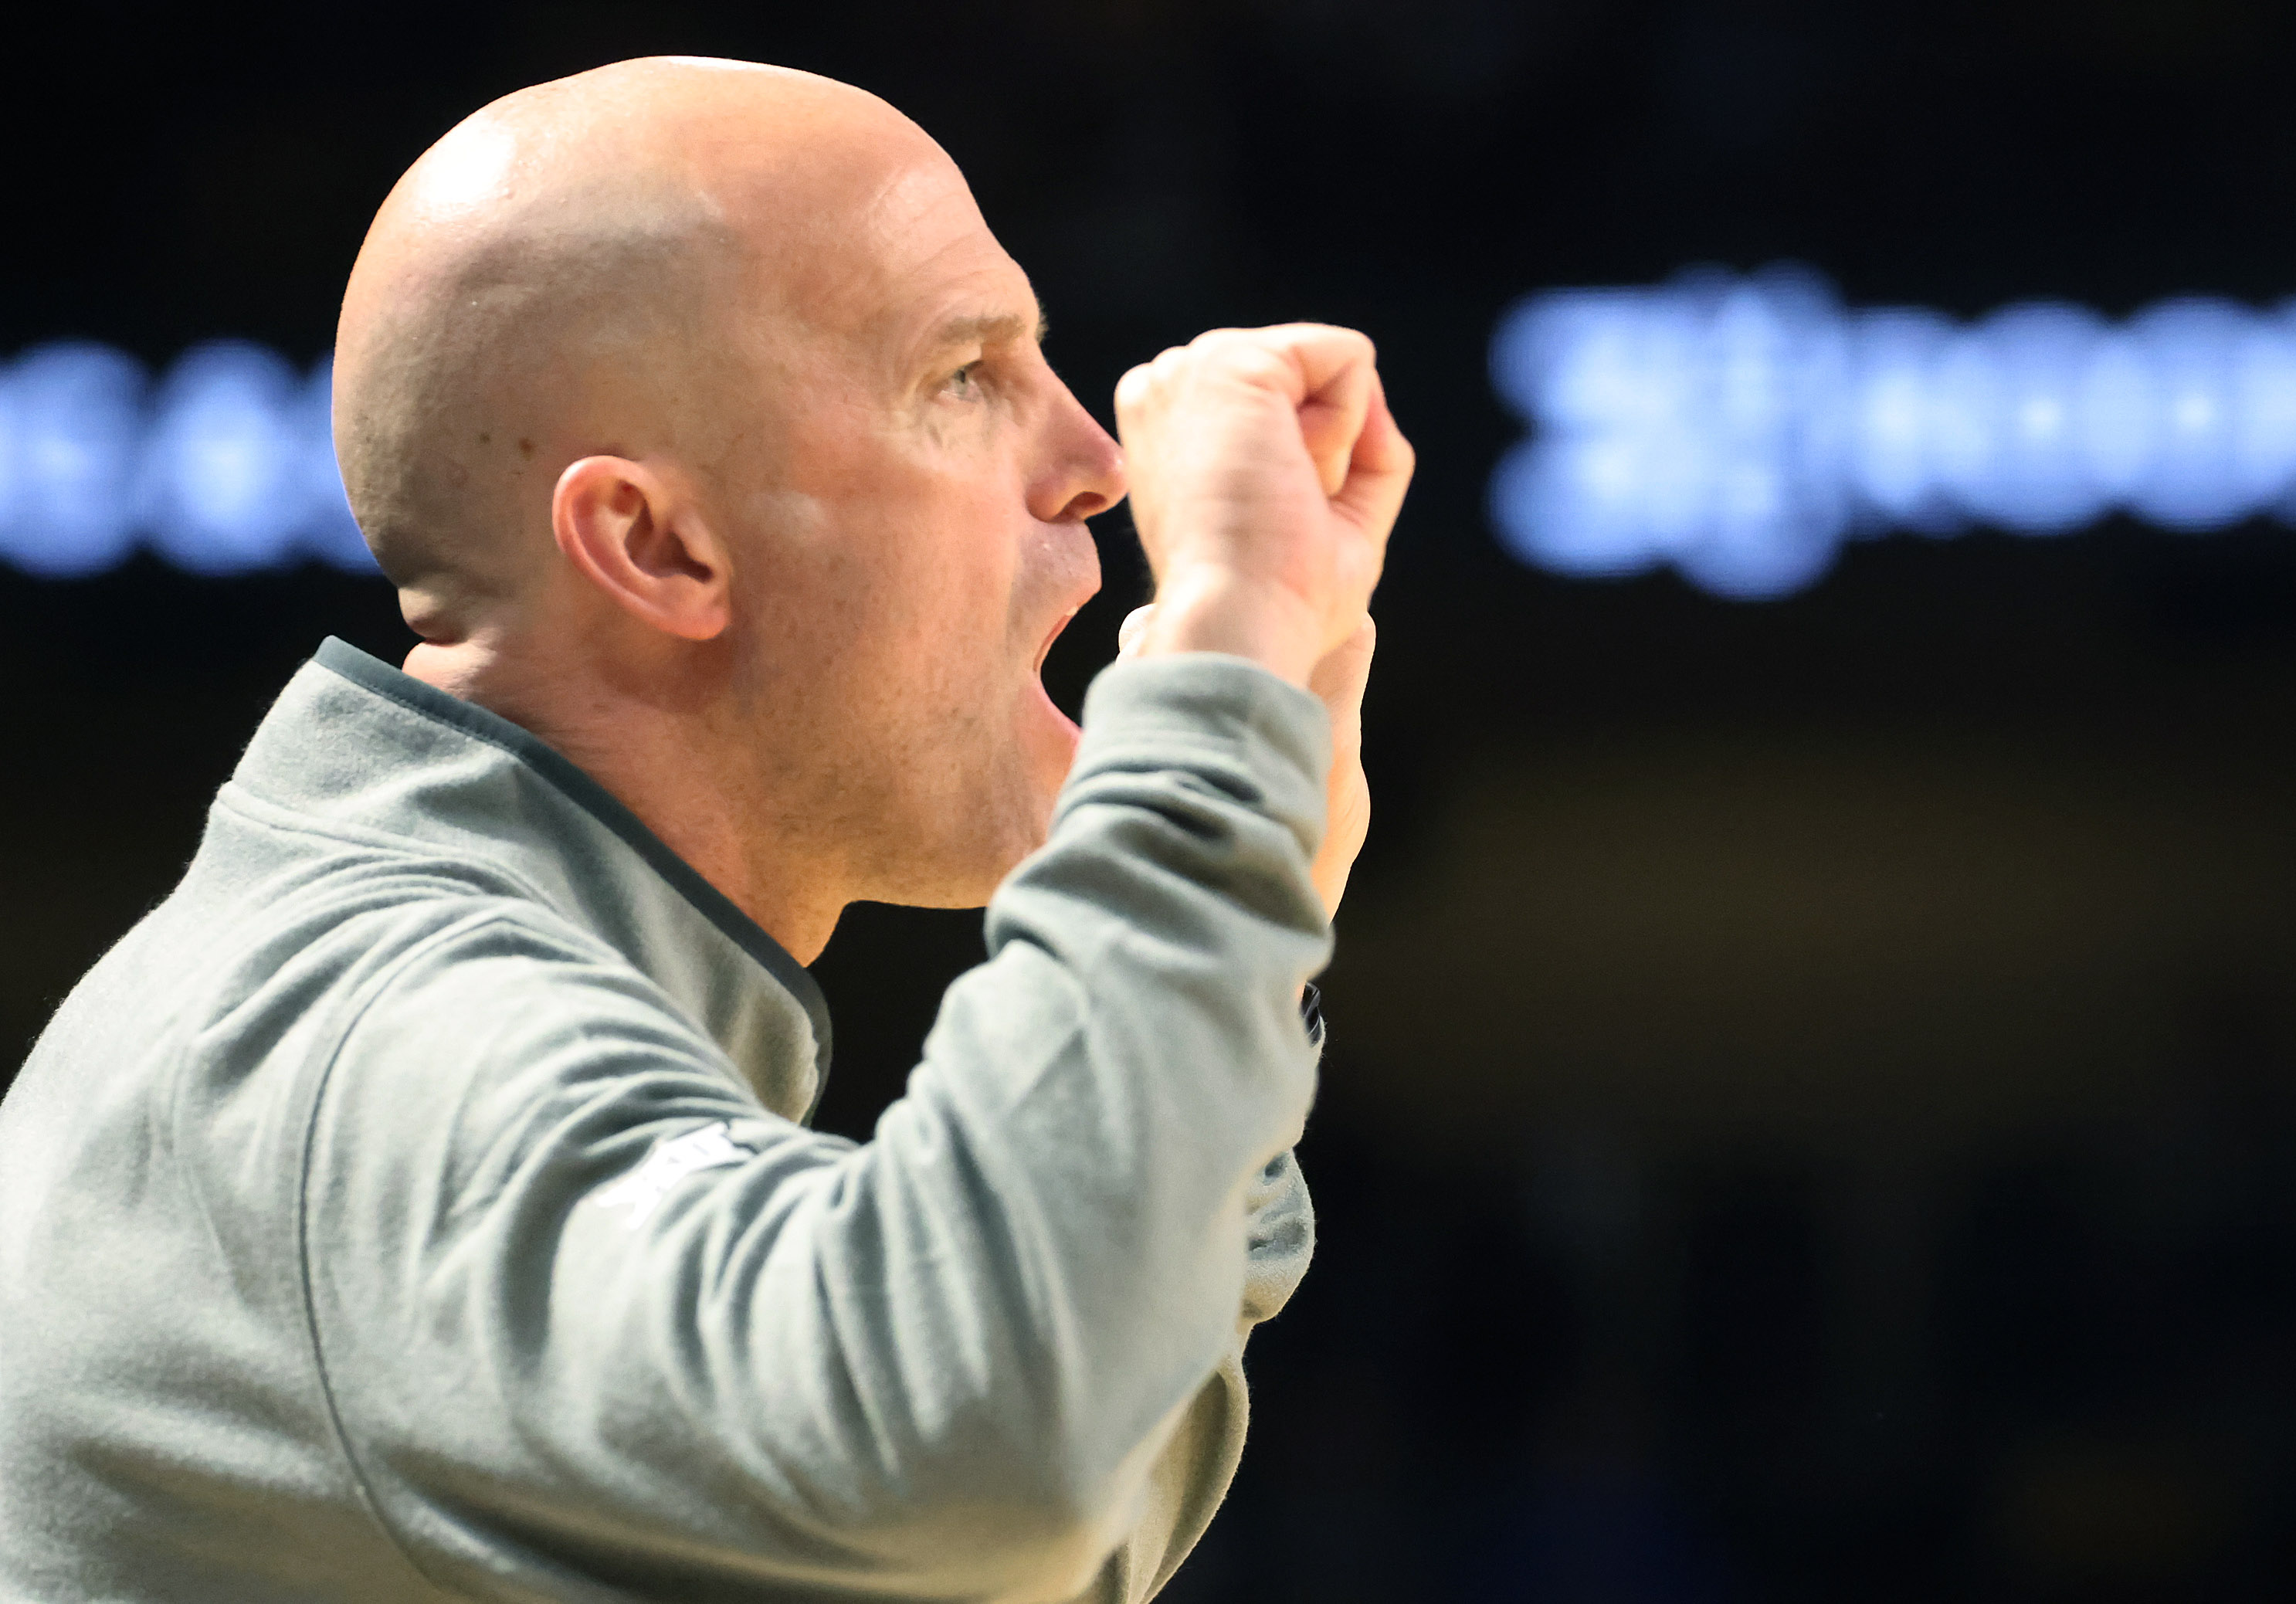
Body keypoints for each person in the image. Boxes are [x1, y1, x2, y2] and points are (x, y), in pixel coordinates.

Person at [0, 56, 1410, 1602]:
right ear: (658, 546)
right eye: (964, 375)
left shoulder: (376, 981)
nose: (1094, 466)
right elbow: (973, 1450)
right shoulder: (387, 1046)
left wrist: (1238, 918)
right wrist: (1214, 694)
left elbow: (997, 1543)